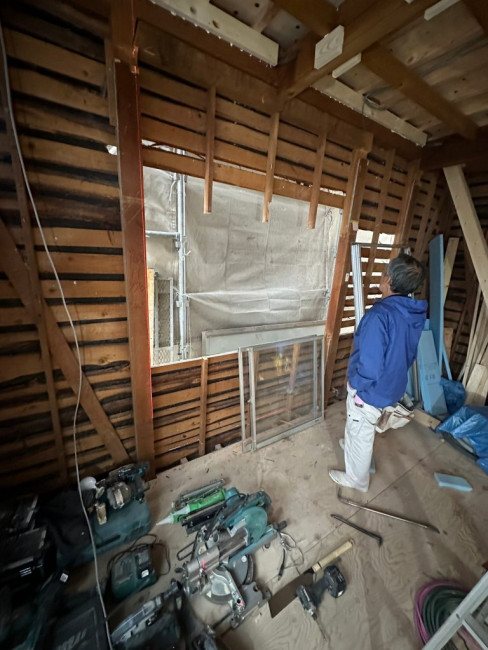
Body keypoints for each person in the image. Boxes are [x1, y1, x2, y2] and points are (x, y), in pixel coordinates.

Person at [329, 253, 427, 492]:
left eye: (384, 273)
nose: (382, 276)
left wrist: (354, 383)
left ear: (389, 280)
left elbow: (370, 366)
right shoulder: (412, 313)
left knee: (361, 430)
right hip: (392, 385)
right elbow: (408, 353)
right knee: (358, 426)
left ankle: (357, 480)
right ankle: (351, 444)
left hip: (371, 390)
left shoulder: (379, 316)